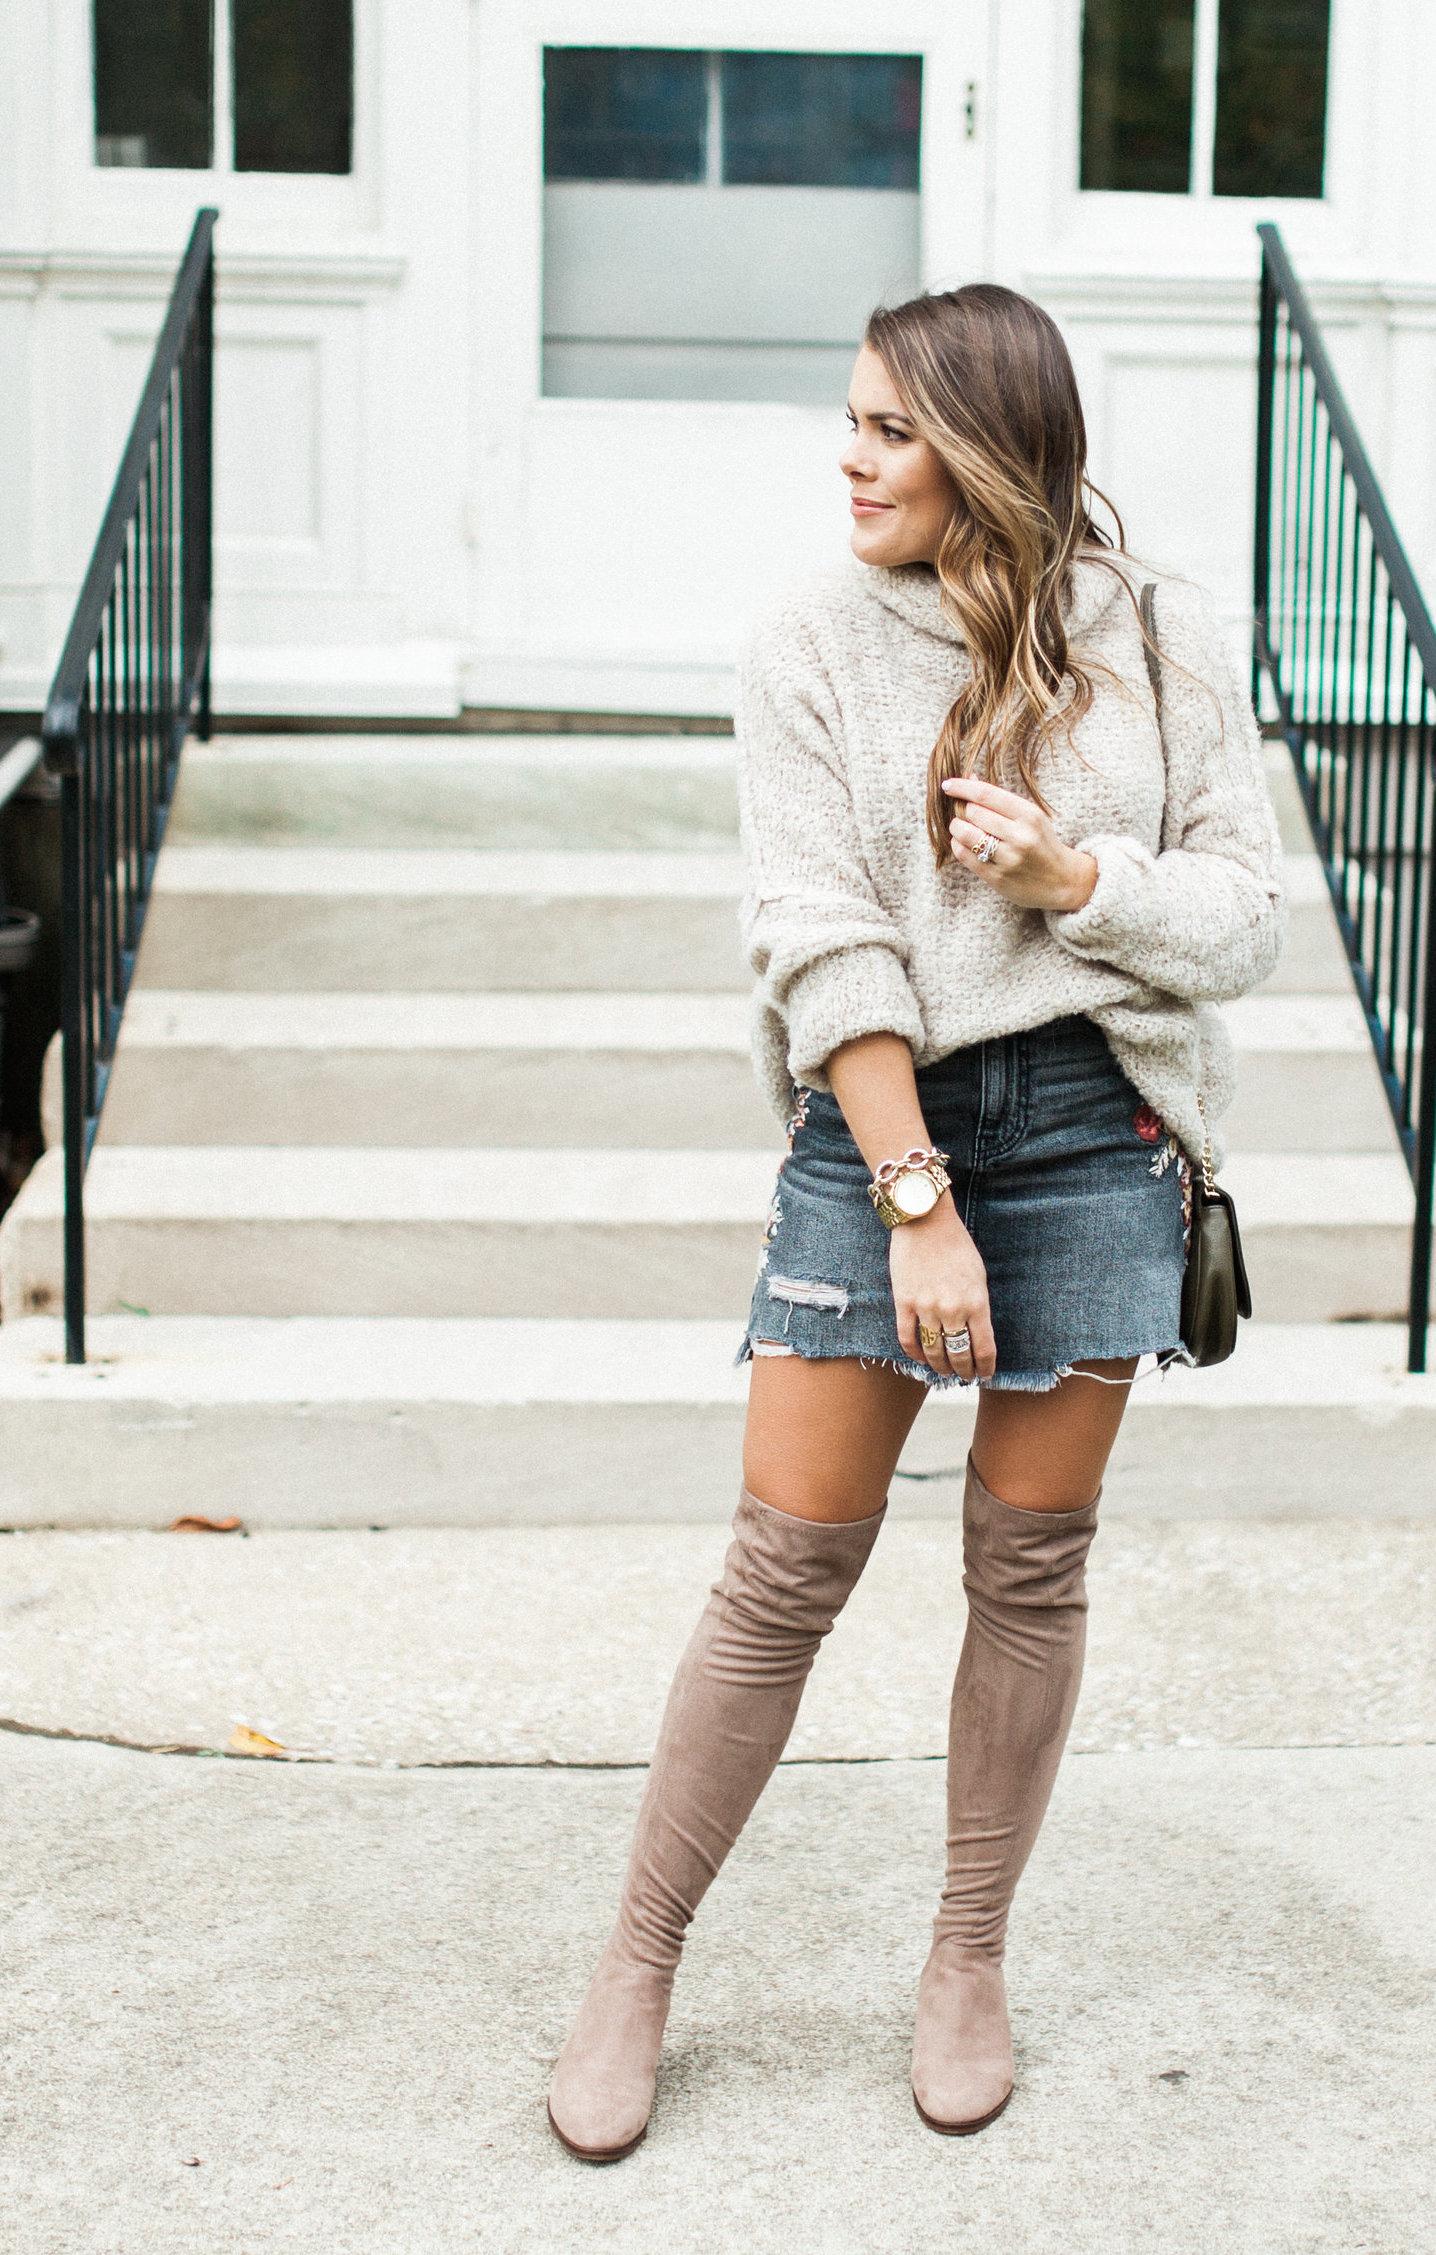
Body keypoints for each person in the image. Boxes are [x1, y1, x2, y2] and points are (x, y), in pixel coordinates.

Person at [548, 282, 1285, 2160]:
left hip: (1098, 1123)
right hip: (882, 1118)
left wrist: (1073, 874)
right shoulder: (802, 639)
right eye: (851, 421)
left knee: (1028, 1568)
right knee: (783, 1566)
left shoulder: (1160, 636)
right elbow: (817, 932)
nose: (852, 458)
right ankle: (635, 1959)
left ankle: (966, 1955)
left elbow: (1242, 923)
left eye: (890, 428)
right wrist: (910, 1201)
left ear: (989, 448)